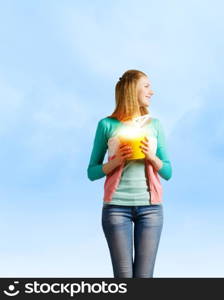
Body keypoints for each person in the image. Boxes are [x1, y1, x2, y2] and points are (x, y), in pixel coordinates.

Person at [87, 69, 172, 278]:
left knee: (144, 278)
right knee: (123, 278)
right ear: (132, 89)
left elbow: (168, 171)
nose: (151, 92)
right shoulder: (107, 125)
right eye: (146, 86)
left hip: (151, 210)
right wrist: (116, 162)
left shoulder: (155, 125)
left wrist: (151, 157)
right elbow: (92, 172)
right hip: (116, 209)